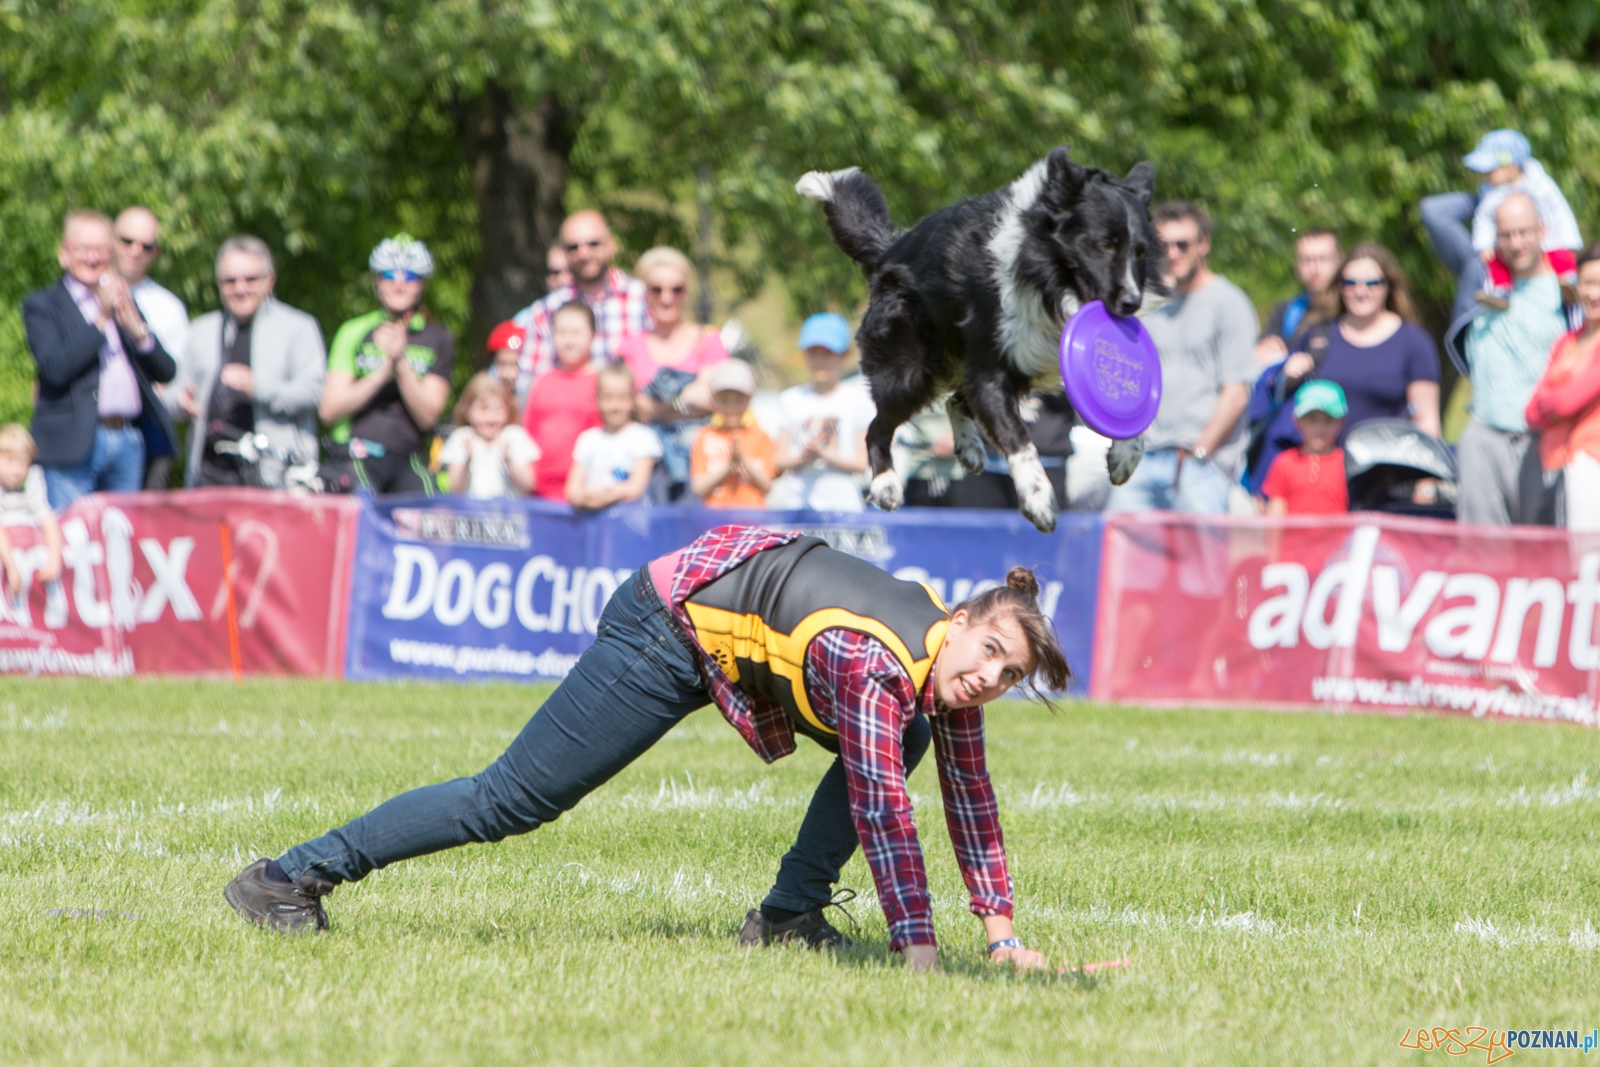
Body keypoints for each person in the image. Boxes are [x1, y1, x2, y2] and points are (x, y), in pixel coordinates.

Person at [224, 524, 1071, 975]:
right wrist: (918, 950)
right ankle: (287, 876)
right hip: (669, 627)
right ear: (960, 621)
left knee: (911, 731)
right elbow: (884, 811)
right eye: (990, 651)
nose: (989, 678)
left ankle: (787, 917)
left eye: (1010, 674)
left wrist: (1001, 939)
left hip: (743, 626)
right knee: (510, 800)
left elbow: (972, 800)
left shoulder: (944, 675)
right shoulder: (875, 661)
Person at [1249, 243, 1441, 497]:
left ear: (1388, 286)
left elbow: (1426, 421)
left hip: (1386, 485)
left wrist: (1426, 485)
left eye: (1372, 283)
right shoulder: (1318, 335)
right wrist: (1287, 375)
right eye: (1350, 283)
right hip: (1319, 484)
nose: (1361, 291)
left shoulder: (1413, 342)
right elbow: (1290, 402)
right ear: (1339, 287)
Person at [1107, 201, 1256, 515]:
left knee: (1200, 550)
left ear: (1204, 244)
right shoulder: (1148, 303)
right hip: (1142, 459)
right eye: (1164, 245)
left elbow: (1236, 393)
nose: (1172, 253)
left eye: (1182, 244)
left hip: (1198, 466)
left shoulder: (1229, 303)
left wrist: (1199, 454)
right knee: (1121, 543)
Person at [22, 210, 176, 509]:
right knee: (73, 534)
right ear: (64, 254)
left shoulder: (123, 301)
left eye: (101, 250)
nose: (93, 258)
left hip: (128, 442)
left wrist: (139, 332)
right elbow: (55, 369)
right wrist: (102, 319)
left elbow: (166, 371)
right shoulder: (43, 306)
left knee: (122, 534)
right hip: (73, 446)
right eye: (83, 249)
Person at [171, 236, 327, 488]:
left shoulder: (298, 327)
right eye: (230, 281)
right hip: (209, 474)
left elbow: (314, 392)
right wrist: (179, 400)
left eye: (250, 279)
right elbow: (174, 392)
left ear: (269, 279)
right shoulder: (201, 330)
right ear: (218, 283)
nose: (240, 289)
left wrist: (258, 389)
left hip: (275, 475)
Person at [1456, 194, 1570, 526]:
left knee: (1544, 548)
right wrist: (1483, 195)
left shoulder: (1569, 290)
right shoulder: (1480, 279)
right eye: (1506, 235)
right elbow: (1434, 215)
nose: (1516, 243)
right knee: (1480, 552)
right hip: (1483, 435)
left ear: (1542, 230)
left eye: (1524, 232)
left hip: (1542, 437)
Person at [321, 235, 454, 495]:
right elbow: (329, 410)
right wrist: (380, 375)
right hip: (354, 450)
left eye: (410, 276)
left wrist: (401, 363)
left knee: (427, 505)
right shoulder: (353, 331)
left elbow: (428, 417)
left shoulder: (437, 337)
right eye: (389, 275)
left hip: (409, 457)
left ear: (422, 284)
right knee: (361, 503)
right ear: (376, 281)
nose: (399, 284)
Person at [619, 247, 728, 501]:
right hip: (648, 469)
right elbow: (635, 409)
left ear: (687, 293)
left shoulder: (708, 340)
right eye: (657, 289)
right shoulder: (630, 346)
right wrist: (684, 401)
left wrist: (658, 407)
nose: (666, 298)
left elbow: (709, 400)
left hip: (701, 466)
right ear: (646, 293)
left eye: (676, 289)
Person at [517, 212, 648, 377]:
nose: (584, 254)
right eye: (574, 247)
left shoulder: (644, 298)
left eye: (593, 244)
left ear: (611, 246)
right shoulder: (547, 310)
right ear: (564, 253)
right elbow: (531, 378)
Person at [1461, 130, 1582, 309]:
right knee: (1495, 263)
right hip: (1506, 248)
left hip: (1549, 240)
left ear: (1511, 167)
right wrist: (1484, 245)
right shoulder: (1490, 193)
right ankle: (1500, 292)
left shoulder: (1540, 185)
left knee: (1560, 256)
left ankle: (1568, 284)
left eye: (1490, 170)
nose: (1485, 175)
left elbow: (1560, 212)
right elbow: (1483, 219)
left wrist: (1569, 241)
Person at [1526, 244, 1600, 532]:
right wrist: (1556, 403)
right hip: (1554, 462)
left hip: (1591, 459)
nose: (1593, 293)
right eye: (1588, 283)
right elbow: (1531, 412)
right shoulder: (1566, 342)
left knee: (1587, 552)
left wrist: (1555, 402)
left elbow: (1566, 402)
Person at [113, 207, 187, 489]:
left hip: (147, 436)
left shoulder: (169, 307)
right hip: (88, 433)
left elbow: (176, 379)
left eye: (146, 246)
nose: (135, 250)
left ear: (156, 253)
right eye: (127, 241)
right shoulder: (82, 293)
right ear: (111, 240)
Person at [770, 313, 874, 511]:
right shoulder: (790, 399)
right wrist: (803, 457)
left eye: (827, 353)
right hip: (798, 505)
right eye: (813, 353)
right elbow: (779, 460)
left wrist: (825, 454)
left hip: (843, 505)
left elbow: (862, 462)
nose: (819, 360)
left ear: (845, 356)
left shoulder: (858, 400)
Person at [524, 302, 602, 500]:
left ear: (593, 335)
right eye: (562, 333)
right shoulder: (541, 381)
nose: (569, 340)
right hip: (538, 491)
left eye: (576, 333)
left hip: (584, 490)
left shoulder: (600, 383)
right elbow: (528, 433)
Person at [566, 364, 660, 509]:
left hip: (630, 521)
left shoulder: (644, 438)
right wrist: (592, 498)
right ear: (597, 398)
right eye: (608, 398)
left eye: (622, 398)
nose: (615, 406)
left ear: (633, 398)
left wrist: (598, 497)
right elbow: (572, 490)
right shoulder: (587, 439)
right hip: (592, 522)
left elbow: (635, 489)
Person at [689, 360, 776, 508]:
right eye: (724, 400)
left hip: (752, 517)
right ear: (713, 399)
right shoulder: (704, 436)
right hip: (715, 517)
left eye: (738, 399)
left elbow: (767, 485)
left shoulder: (762, 437)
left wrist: (742, 460)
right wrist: (729, 466)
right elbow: (698, 487)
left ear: (749, 399)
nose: (731, 406)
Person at [437, 373, 539, 500]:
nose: (491, 417)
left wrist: (509, 460)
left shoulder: (513, 436)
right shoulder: (461, 438)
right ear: (468, 411)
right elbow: (455, 489)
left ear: (508, 410)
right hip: (470, 510)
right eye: (483, 409)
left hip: (506, 510)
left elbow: (527, 486)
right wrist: (467, 459)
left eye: (498, 409)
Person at [1255, 229, 1341, 366]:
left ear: (1340, 261)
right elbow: (1263, 354)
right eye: (1307, 260)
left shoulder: (1352, 310)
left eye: (1323, 259)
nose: (1315, 268)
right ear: (1297, 265)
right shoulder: (1286, 311)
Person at [1261, 381, 1348, 516]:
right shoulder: (1285, 463)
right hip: (1292, 531)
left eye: (1328, 420)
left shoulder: (1348, 464)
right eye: (1312, 419)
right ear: (1297, 421)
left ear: (1341, 422)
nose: (1320, 428)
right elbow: (1275, 515)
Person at [0, 424, 62, 589]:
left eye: (23, 463)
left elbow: (48, 521)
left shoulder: (32, 489)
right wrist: (11, 568)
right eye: (9, 462)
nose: (16, 470)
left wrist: (54, 561)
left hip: (30, 574)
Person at [486, 320, 528, 406]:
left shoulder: (538, 401)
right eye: (502, 364)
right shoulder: (483, 399)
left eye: (516, 364)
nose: (508, 375)